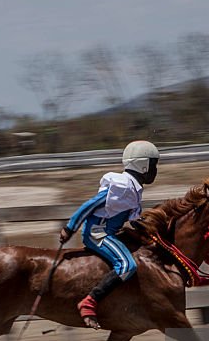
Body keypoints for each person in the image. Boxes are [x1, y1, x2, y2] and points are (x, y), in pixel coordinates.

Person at [59, 140, 160, 329]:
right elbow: (91, 205)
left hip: (109, 232)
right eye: (154, 165)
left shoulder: (133, 187)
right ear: (144, 165)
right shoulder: (123, 186)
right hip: (98, 234)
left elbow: (133, 218)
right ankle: (89, 302)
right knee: (126, 265)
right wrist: (70, 228)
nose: (156, 170)